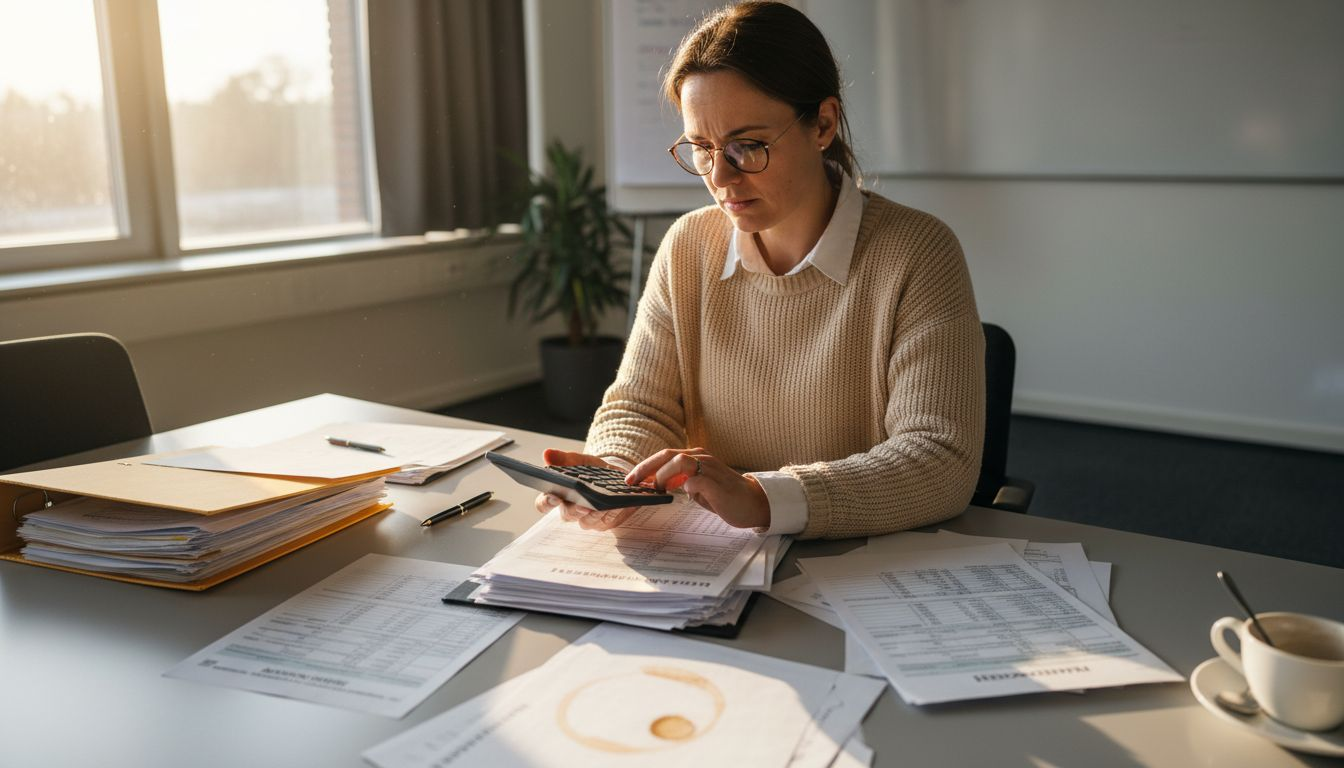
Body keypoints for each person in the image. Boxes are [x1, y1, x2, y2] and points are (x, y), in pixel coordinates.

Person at [535, 0, 984, 539]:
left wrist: (762, 498)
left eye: (747, 146)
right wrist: (612, 473)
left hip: (862, 566)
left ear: (822, 123)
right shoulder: (688, 247)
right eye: (702, 148)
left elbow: (939, 461)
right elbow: (640, 406)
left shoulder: (918, 252)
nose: (720, 177)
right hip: (718, 561)